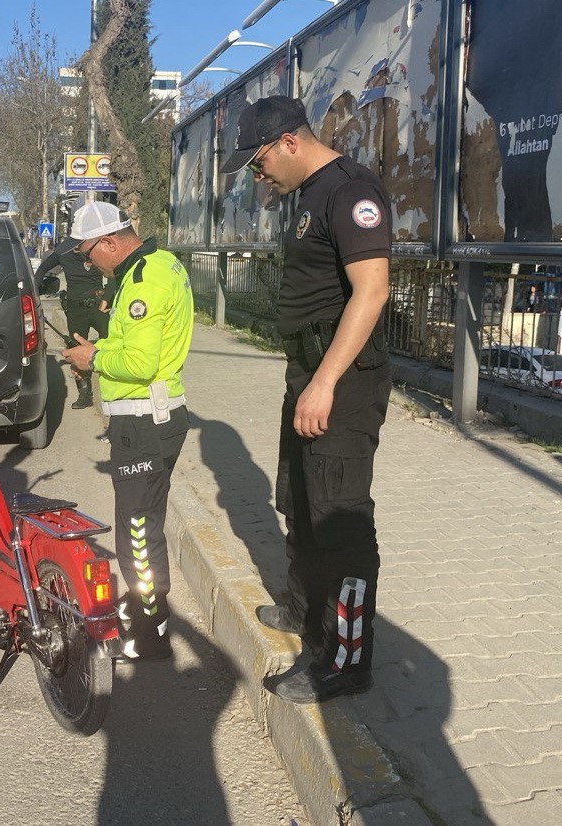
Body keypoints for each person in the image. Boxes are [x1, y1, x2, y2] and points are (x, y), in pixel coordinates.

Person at [221, 96, 392, 703]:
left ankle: (344, 662)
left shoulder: (351, 191)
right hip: (308, 370)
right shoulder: (308, 196)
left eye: (259, 160)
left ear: (290, 142)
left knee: (338, 518)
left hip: (341, 379)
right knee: (297, 497)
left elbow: (370, 292)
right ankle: (301, 608)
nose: (256, 172)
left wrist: (324, 382)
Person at [60, 201, 193, 660]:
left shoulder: (142, 280)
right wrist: (100, 345)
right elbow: (135, 342)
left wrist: (91, 359)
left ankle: (150, 629)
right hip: (153, 418)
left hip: (144, 423)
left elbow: (140, 363)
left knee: (137, 533)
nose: (86, 262)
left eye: (86, 253)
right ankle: (146, 616)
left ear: (110, 242)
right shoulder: (160, 264)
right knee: (143, 526)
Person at [36, 241, 114, 409]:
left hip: (97, 305)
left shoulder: (97, 246)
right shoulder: (63, 251)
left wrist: (107, 298)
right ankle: (85, 395)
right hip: (75, 309)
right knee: (76, 349)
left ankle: (115, 385)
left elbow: (115, 272)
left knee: (112, 339)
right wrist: (34, 291)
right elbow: (43, 268)